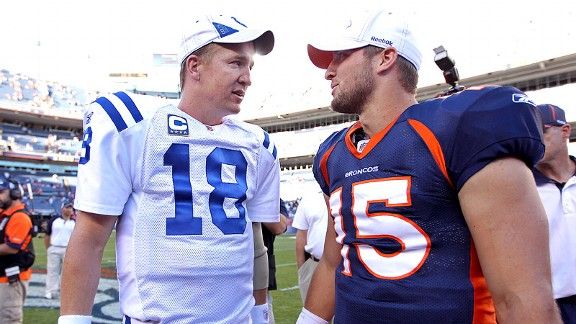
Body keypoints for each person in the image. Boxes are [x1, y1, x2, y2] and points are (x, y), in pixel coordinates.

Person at [296, 9, 561, 324]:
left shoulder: (456, 129)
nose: (329, 71)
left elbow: (521, 297)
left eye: (340, 56)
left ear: (385, 58)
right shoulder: (333, 154)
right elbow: (331, 261)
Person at [58, 13, 280, 324]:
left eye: (249, 67)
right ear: (195, 66)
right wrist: (73, 321)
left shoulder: (258, 145)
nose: (247, 77)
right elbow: (91, 236)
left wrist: (260, 312)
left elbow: (255, 241)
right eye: (235, 63)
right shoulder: (133, 124)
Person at [533, 104, 576, 324]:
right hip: (551, 307)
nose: (535, 138)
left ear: (565, 131)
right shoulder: (523, 187)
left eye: (543, 131)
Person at [0, 181, 34, 324]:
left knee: (9, 319)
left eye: (1, 192)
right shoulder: (6, 215)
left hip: (10, 280)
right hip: (4, 276)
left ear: (15, 194)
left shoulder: (19, 217)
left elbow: (11, 247)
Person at [292, 189, 327, 303]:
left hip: (346, 266)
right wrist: (303, 270)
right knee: (314, 318)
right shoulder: (309, 198)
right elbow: (301, 235)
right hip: (314, 264)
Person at [260, 199, 288, 323]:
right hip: (231, 261)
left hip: (260, 262)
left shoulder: (270, 195)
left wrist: (254, 201)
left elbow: (280, 226)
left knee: (262, 310)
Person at [44, 200, 76, 299]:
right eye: (67, 207)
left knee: (67, 273)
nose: (70, 209)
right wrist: (49, 248)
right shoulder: (54, 220)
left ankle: (65, 293)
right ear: (62, 209)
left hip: (68, 249)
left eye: (71, 208)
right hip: (54, 248)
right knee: (52, 271)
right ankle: (50, 291)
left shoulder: (75, 222)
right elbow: (47, 235)